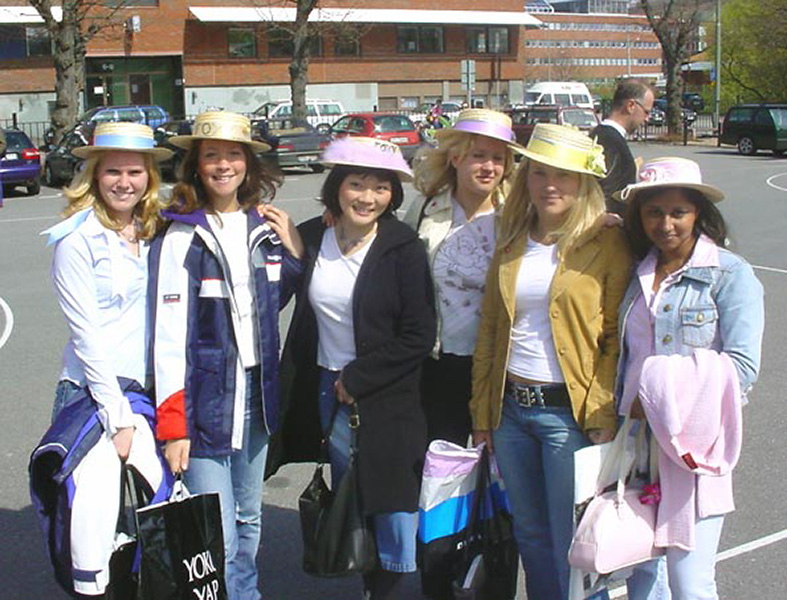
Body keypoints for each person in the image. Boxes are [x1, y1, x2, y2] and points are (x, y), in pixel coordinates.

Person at [267, 137, 436, 600]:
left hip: (387, 394)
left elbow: (419, 334)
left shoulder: (402, 247)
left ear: (393, 195)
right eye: (356, 185)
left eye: (381, 188)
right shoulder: (314, 236)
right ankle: (369, 584)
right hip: (328, 388)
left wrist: (359, 378)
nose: (367, 197)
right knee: (353, 497)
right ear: (336, 189)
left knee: (392, 503)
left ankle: (391, 586)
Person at [470, 123, 632, 600]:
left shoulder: (607, 241)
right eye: (539, 173)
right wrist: (482, 413)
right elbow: (491, 330)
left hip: (569, 416)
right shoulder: (512, 237)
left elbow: (614, 339)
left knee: (574, 540)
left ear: (583, 183)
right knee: (530, 535)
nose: (550, 185)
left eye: (563, 175)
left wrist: (602, 412)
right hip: (510, 413)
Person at [150, 111, 303, 600]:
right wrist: (174, 425)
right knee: (216, 529)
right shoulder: (181, 234)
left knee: (249, 517)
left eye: (233, 155)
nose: (223, 165)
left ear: (248, 164)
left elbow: (272, 303)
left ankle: (245, 593)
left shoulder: (263, 227)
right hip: (206, 404)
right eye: (211, 155)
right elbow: (168, 338)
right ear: (195, 165)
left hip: (257, 398)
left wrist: (295, 250)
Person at [614, 157, 764, 600]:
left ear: (698, 212)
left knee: (689, 581)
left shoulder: (730, 274)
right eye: (653, 212)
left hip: (693, 447)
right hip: (634, 444)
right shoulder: (635, 271)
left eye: (678, 212)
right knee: (639, 573)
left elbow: (742, 366)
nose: (666, 224)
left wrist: (657, 395)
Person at [41, 122, 172, 597]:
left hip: (148, 392)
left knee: (150, 523)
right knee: (98, 529)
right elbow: (87, 337)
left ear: (149, 176)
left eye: (135, 171)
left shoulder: (155, 229)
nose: (124, 182)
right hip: (96, 397)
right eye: (113, 171)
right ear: (94, 175)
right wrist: (117, 418)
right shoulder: (77, 240)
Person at [405, 108, 523, 449]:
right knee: (443, 462)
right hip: (438, 363)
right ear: (455, 158)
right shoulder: (426, 210)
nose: (489, 167)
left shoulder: (517, 216)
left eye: (498, 158)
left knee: (498, 466)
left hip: (498, 365)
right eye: (479, 156)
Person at [590, 78, 655, 215]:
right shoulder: (610, 141)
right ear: (631, 105)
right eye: (646, 112)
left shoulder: (599, 135)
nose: (647, 119)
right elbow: (606, 194)